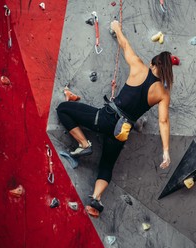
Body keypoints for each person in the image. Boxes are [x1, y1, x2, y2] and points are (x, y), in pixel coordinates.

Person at [57, 20, 173, 217]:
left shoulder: (139, 67)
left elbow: (125, 44)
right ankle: (96, 199)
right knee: (107, 165)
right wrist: (166, 151)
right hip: (122, 131)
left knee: (63, 109)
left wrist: (116, 28)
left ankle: (84, 144)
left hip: (105, 118)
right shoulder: (163, 93)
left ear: (153, 63)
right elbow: (163, 121)